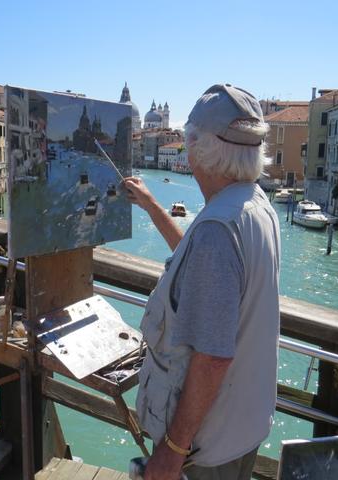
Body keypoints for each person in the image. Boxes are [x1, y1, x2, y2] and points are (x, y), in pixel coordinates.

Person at [123, 84, 281, 480]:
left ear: (199, 151)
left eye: (190, 142)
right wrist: (152, 206)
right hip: (244, 425)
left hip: (206, 447)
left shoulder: (217, 230)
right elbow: (204, 275)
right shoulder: (254, 204)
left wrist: (172, 451)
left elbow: (212, 358)